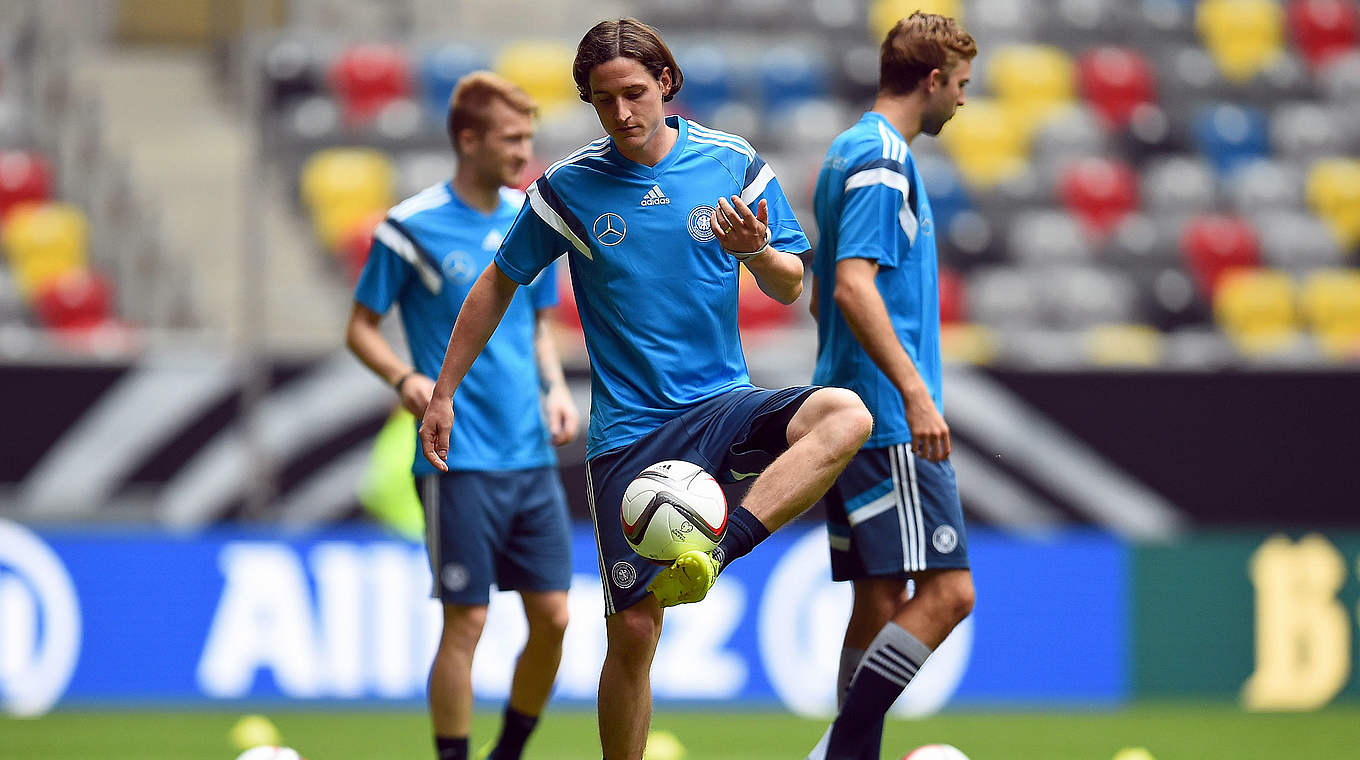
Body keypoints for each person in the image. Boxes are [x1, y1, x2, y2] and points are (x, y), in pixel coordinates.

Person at [418, 18, 874, 760]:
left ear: (666, 83)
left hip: (723, 404)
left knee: (845, 413)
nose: (623, 113)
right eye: (604, 101)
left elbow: (794, 283)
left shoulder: (731, 163)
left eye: (634, 92)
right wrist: (443, 393)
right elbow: (497, 284)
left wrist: (757, 251)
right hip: (632, 433)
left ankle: (717, 547)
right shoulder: (566, 189)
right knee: (632, 629)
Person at [346, 71, 580, 760]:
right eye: (511, 140)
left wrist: (556, 388)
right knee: (467, 619)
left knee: (556, 617)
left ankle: (507, 752)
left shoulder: (528, 217)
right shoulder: (410, 226)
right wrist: (406, 376)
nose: (523, 152)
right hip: (458, 460)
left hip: (530, 453)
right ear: (468, 139)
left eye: (529, 138)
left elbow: (538, 323)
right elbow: (359, 327)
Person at [803, 12, 978, 760]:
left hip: (844, 405)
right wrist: (915, 393)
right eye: (962, 85)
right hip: (884, 418)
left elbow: (819, 291)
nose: (964, 101)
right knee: (949, 593)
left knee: (878, 595)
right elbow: (849, 287)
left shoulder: (846, 152)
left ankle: (851, 755)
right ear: (932, 80)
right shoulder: (883, 160)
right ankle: (841, 754)